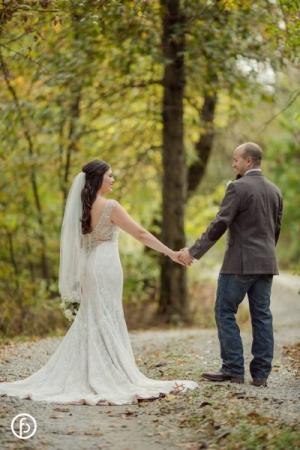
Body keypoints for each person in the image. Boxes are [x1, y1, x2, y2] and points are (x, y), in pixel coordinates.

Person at [0, 160, 198, 405]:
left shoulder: (83, 207)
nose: (113, 180)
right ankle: (109, 369)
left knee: (94, 315)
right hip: (106, 266)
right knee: (107, 314)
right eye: (110, 176)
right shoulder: (110, 206)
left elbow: (79, 245)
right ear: (98, 179)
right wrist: (171, 253)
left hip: (89, 266)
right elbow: (141, 234)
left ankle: (94, 366)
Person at [179, 142, 283, 387]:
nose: (233, 163)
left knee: (224, 311)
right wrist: (265, 254)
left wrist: (194, 252)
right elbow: (275, 229)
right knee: (262, 316)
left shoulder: (237, 187)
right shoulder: (274, 190)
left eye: (236, 159)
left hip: (239, 262)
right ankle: (260, 376)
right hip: (266, 262)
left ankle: (233, 369)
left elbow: (220, 223)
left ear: (248, 161)